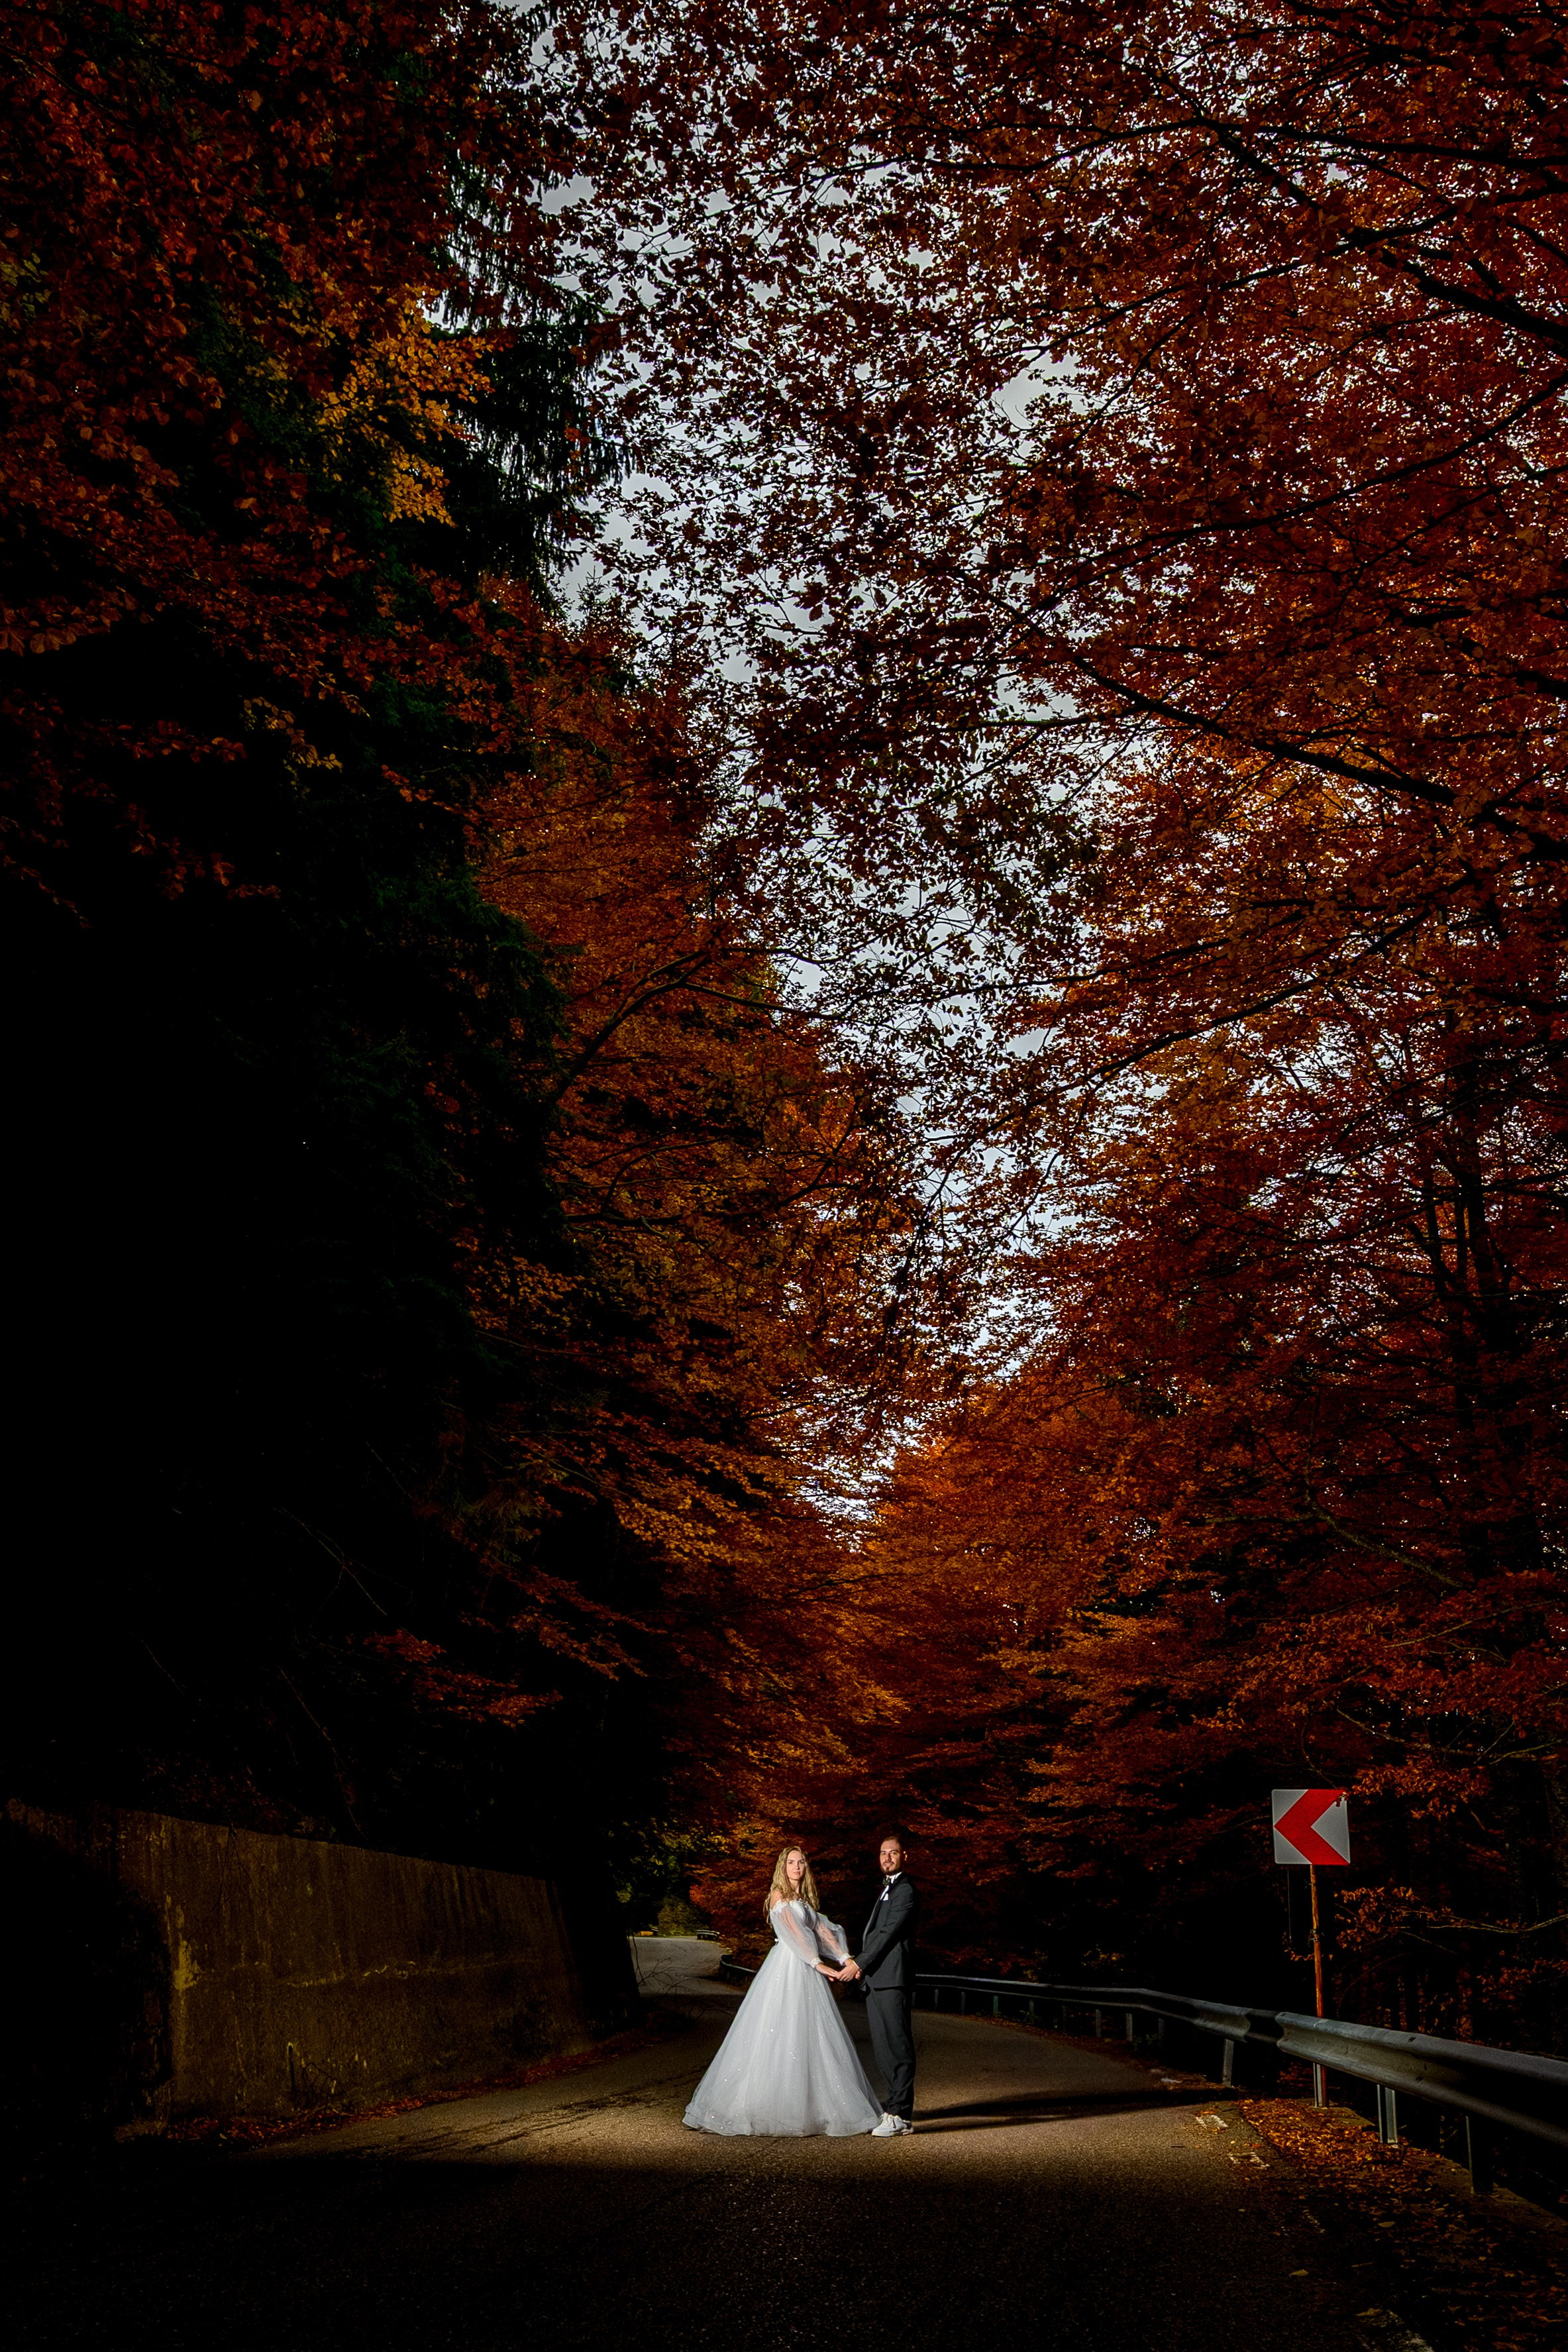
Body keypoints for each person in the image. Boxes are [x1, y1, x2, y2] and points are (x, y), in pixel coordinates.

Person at [682, 1844, 884, 2136]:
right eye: (791, 1862)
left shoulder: (804, 1899)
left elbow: (823, 1931)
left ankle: (812, 2106)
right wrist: (817, 1963)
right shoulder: (779, 1896)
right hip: (789, 1966)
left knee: (811, 2033)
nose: (797, 1866)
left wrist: (844, 1958)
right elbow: (793, 1932)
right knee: (777, 2030)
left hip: (807, 1968)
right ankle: (769, 2106)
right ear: (783, 1866)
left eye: (802, 1862)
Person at [831, 1833, 917, 2135]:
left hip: (892, 1978)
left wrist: (859, 1963)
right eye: (883, 1853)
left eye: (893, 1853)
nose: (887, 1858)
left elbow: (887, 1935)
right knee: (883, 2049)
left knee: (898, 2045)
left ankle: (901, 2114)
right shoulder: (885, 1890)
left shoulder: (905, 1890)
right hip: (877, 1979)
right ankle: (892, 2106)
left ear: (904, 1856)